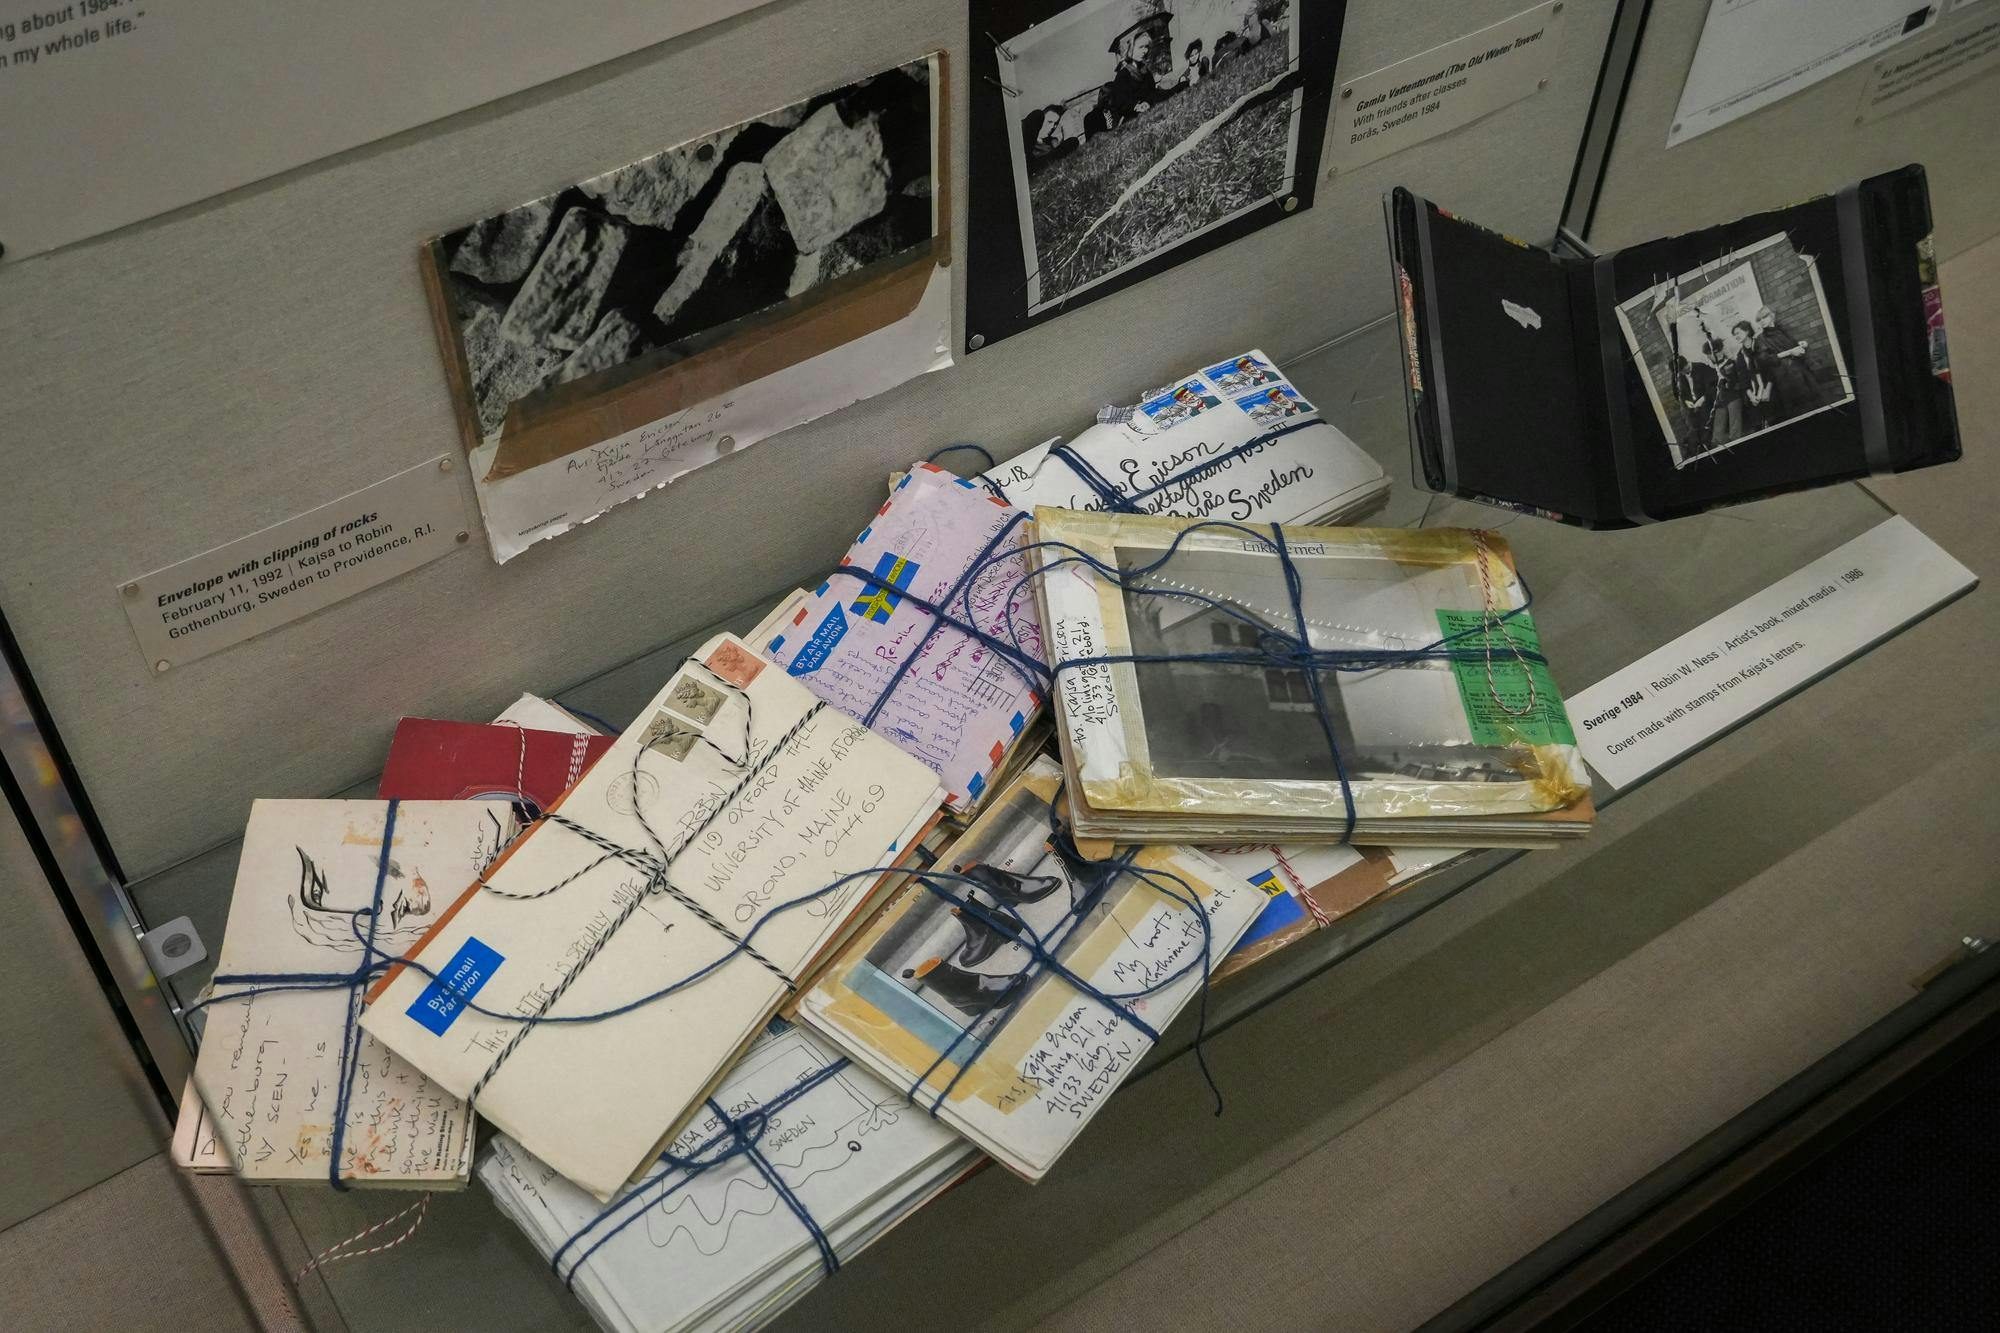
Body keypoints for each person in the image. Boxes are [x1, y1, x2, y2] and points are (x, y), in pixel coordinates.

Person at [1753, 304, 1815, 421]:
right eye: (1759, 320)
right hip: (1785, 379)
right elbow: (1766, 360)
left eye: (1764, 317)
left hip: (1802, 372)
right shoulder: (1761, 339)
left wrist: (1802, 344)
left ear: (1772, 316)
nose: (1762, 321)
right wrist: (1791, 352)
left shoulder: (1784, 330)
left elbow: (1796, 345)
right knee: (1799, 411)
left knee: (1813, 404)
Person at [1670, 352, 1717, 451]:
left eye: (1683, 371)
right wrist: (1687, 402)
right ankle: (1699, 445)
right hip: (1692, 405)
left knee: (1704, 417)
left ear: (1687, 364)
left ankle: (1711, 444)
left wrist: (1703, 399)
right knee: (1691, 421)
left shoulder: (1701, 367)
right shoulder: (1679, 376)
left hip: (1707, 400)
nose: (1682, 374)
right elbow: (1678, 394)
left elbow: (1713, 385)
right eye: (1680, 373)